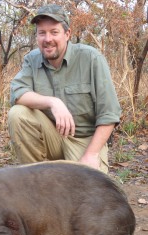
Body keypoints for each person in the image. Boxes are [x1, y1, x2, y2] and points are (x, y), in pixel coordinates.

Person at [8, 4, 121, 173]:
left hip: (85, 140)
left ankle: (82, 165)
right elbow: (17, 93)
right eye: (42, 33)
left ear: (67, 34)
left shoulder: (91, 58)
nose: (47, 39)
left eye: (54, 32)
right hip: (52, 137)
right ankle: (38, 179)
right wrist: (53, 102)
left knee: (86, 193)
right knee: (18, 114)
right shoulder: (32, 59)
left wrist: (91, 154)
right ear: (37, 36)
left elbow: (109, 114)